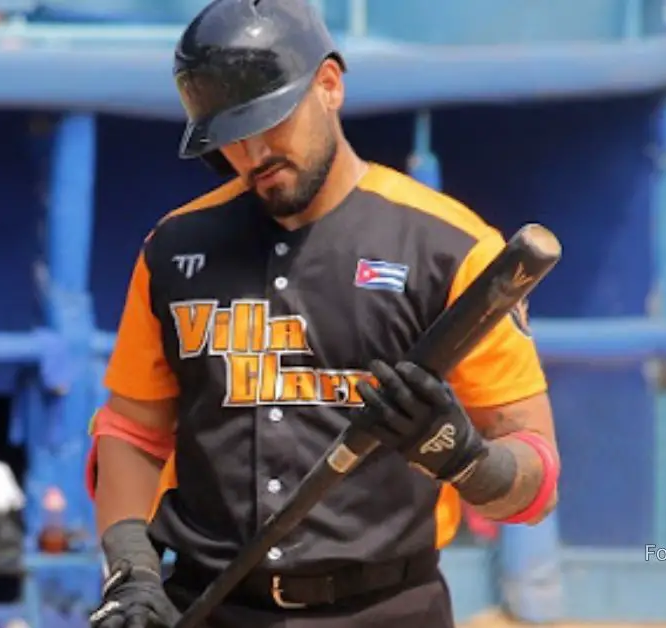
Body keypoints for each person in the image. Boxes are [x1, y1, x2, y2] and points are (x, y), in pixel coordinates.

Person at [85, 0, 560, 626]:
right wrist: (132, 568)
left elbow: (536, 482)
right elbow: (131, 433)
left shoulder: (450, 247)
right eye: (232, 136)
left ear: (329, 85)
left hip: (388, 608)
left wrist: (462, 456)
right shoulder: (175, 249)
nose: (254, 153)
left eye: (271, 121)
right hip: (213, 604)